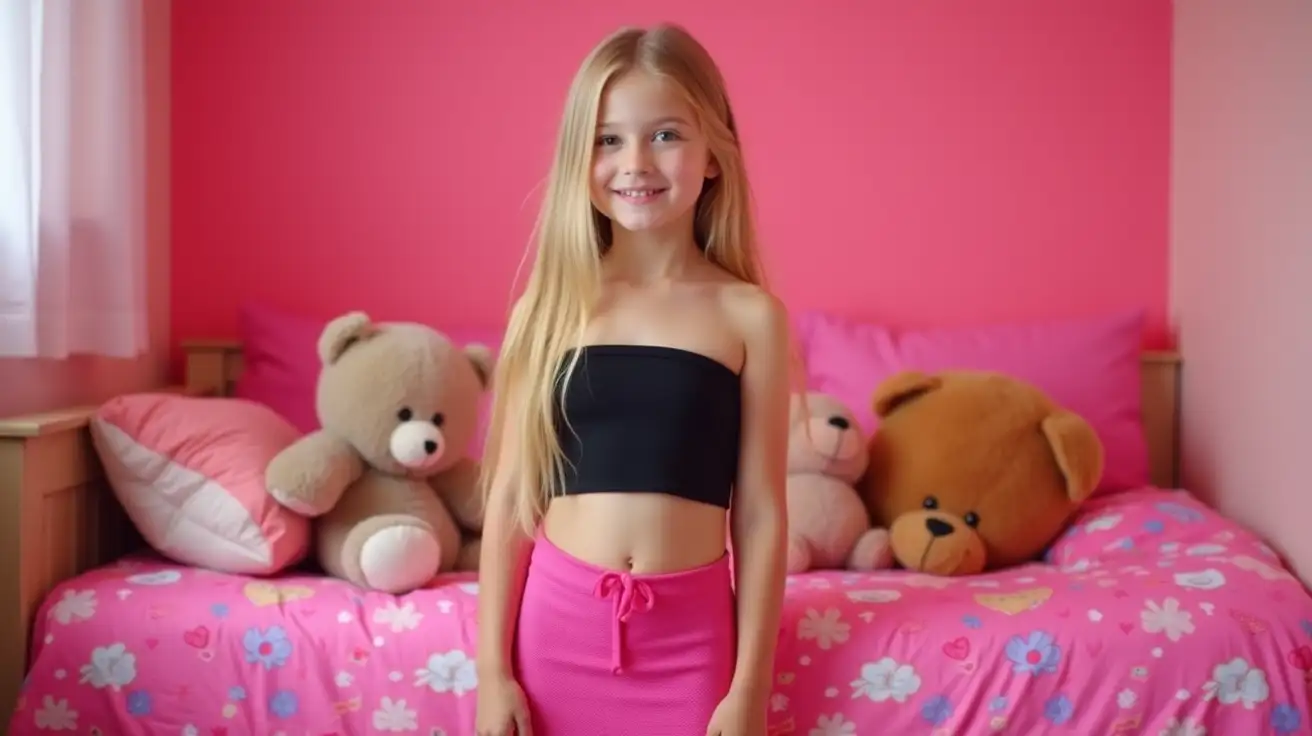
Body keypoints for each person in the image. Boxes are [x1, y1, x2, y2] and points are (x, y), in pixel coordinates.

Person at [474, 22, 791, 736]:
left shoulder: (750, 316)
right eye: (608, 139)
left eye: (666, 135)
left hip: (692, 641)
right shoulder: (550, 306)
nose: (635, 162)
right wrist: (492, 674)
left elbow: (762, 514)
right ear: (578, 159)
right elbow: (514, 499)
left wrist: (751, 687)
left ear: (714, 154)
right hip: (557, 633)